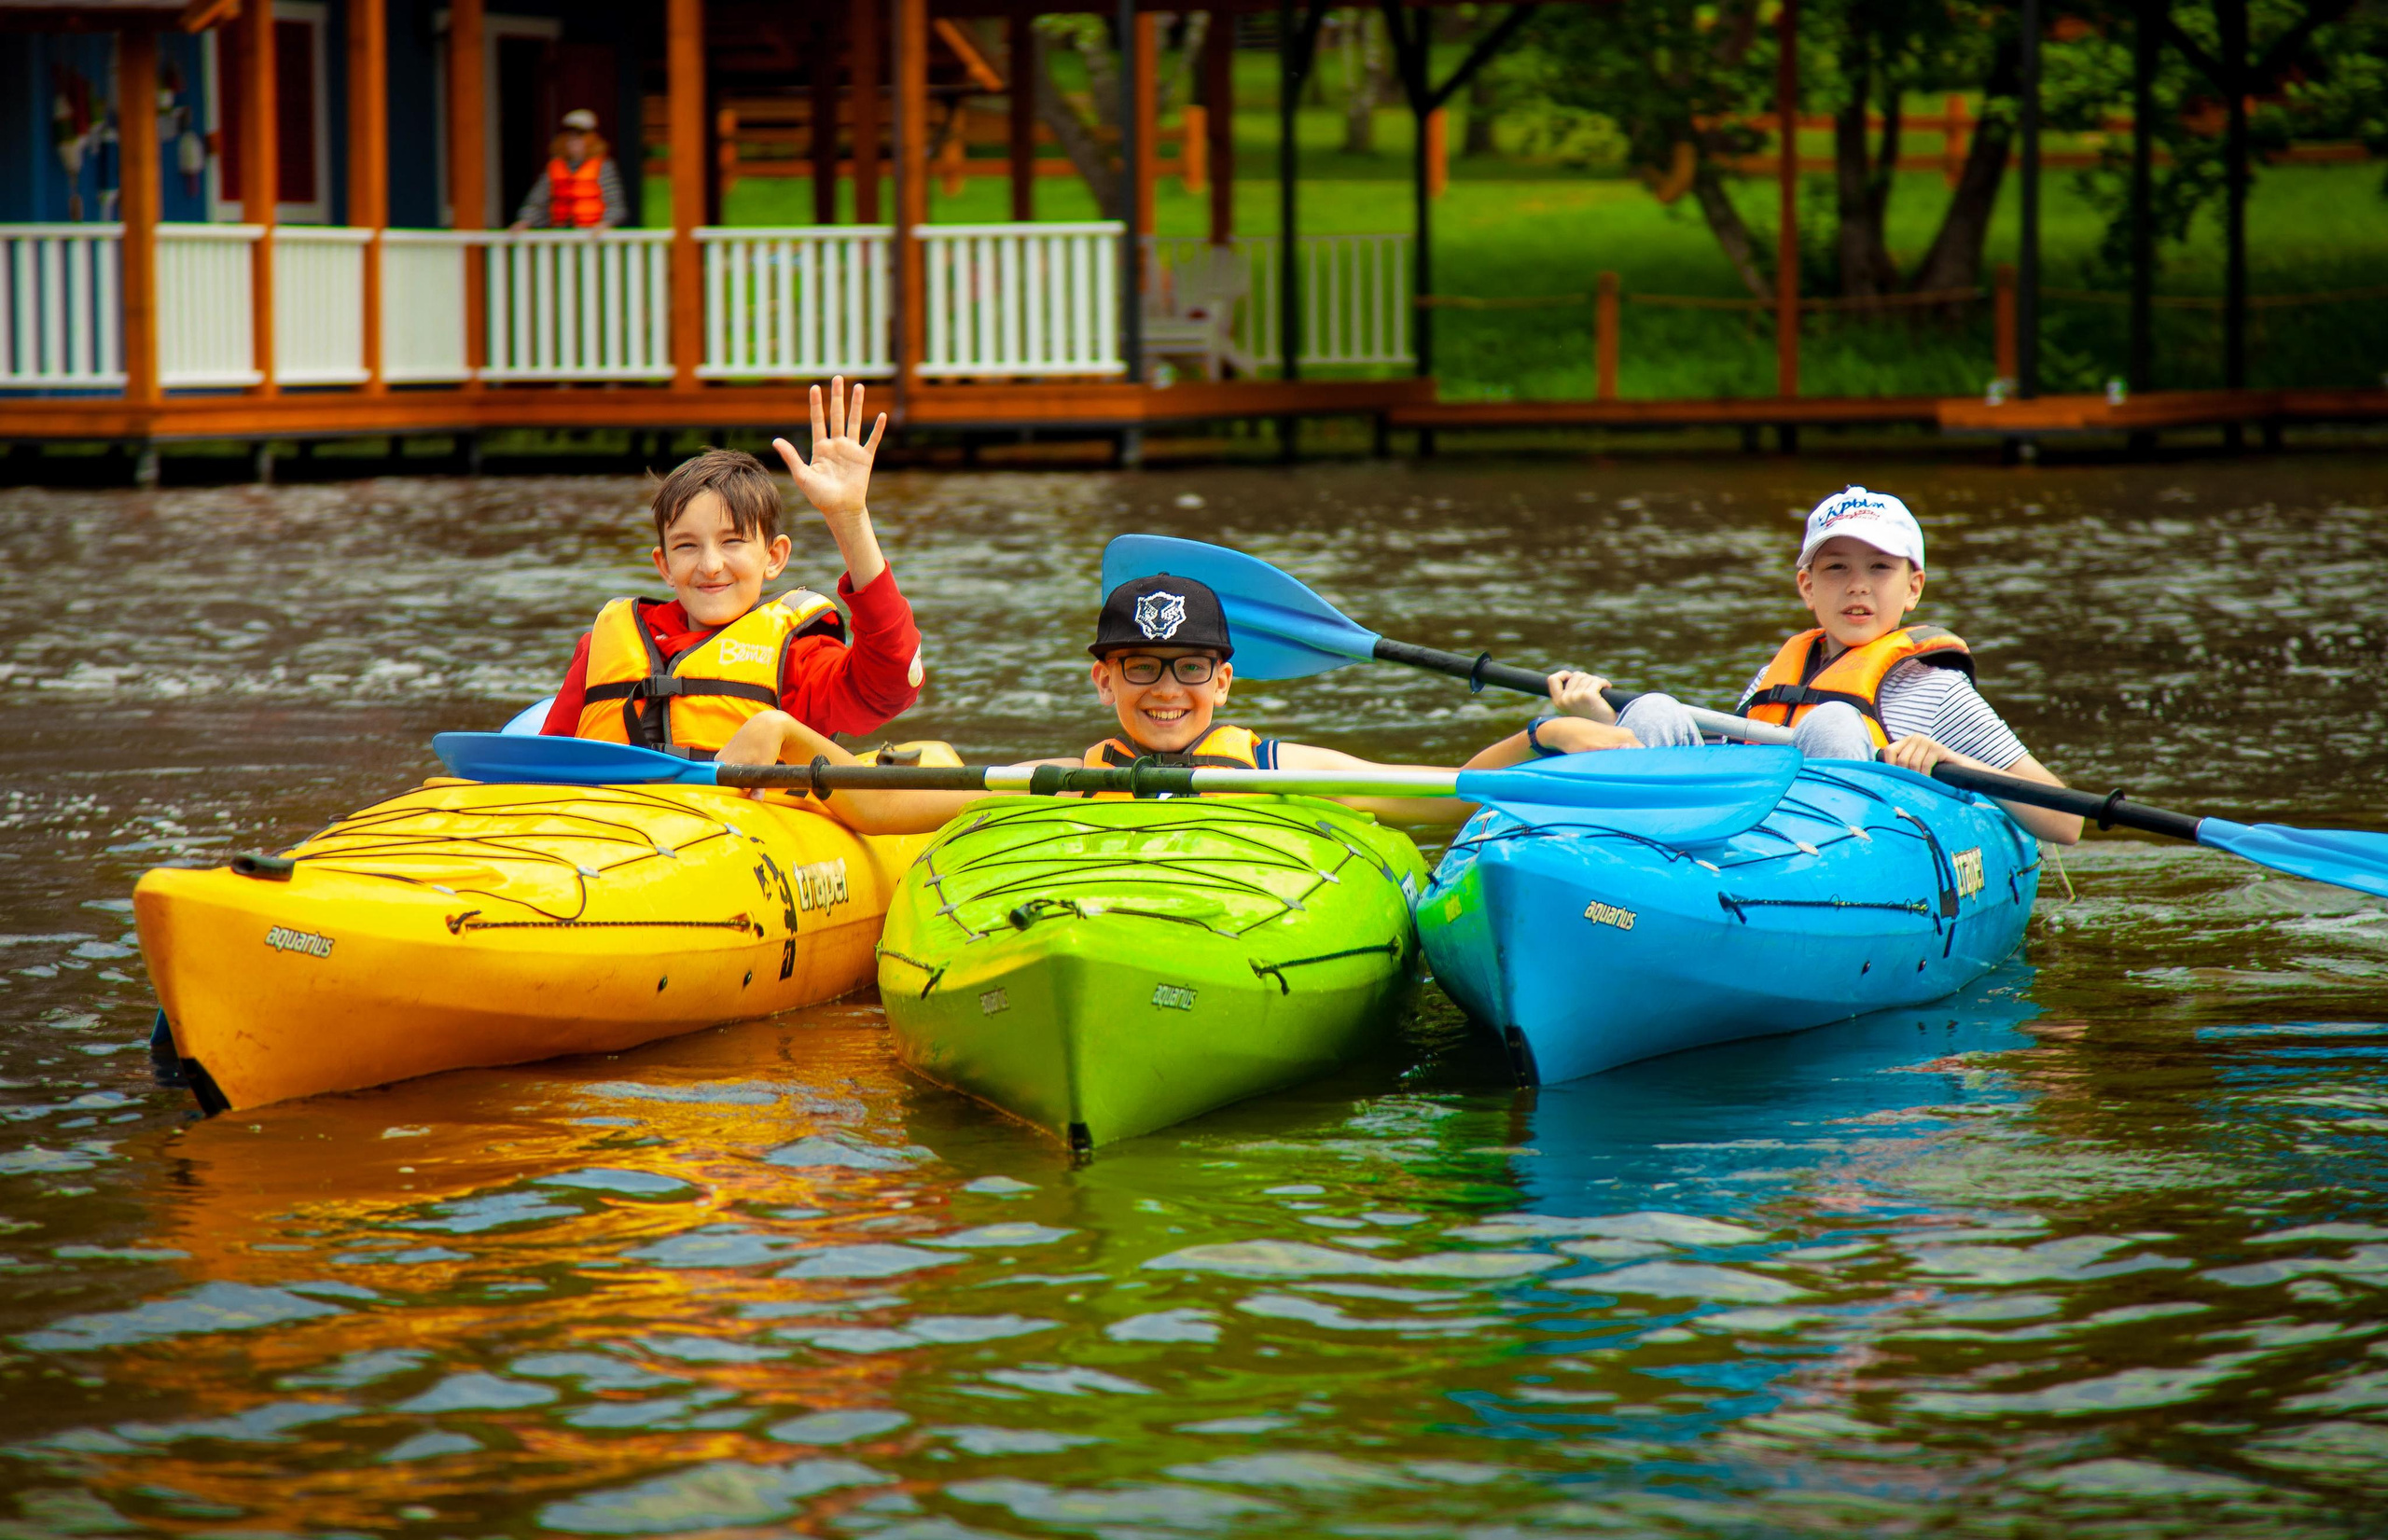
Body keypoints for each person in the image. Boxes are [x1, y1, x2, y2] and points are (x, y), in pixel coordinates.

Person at [1543, 485, 2082, 846]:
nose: (1857, 585)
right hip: (1741, 843)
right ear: (1807, 587)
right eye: (1836, 568)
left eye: (1880, 567)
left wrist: (1949, 759)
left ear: (1913, 588)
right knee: (1654, 708)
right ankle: (1623, 852)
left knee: (1832, 723)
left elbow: (2067, 821)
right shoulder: (1778, 673)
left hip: (1842, 860)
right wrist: (1602, 722)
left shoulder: (1938, 691)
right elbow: (1730, 764)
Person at [539, 378, 956, 834]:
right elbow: (546, 765)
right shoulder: (604, 643)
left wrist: (848, 517)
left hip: (739, 842)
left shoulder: (798, 656)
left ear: (774, 556)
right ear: (664, 564)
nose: (711, 565)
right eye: (686, 546)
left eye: (733, 541)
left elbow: (892, 684)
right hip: (612, 833)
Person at [1061, 574, 1642, 823]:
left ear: (1223, 682)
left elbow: (1446, 796)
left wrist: (1545, 735)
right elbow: (963, 793)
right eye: (1141, 668)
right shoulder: (1064, 780)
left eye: (1190, 668)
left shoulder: (1279, 768)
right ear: (1105, 681)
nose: (1167, 690)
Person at [508, 108, 629, 232]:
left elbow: (616, 205)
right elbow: (537, 201)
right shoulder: (554, 167)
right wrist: (524, 221)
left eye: (580, 137)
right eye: (570, 137)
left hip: (591, 237)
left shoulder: (604, 167)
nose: (574, 142)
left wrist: (605, 224)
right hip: (562, 234)